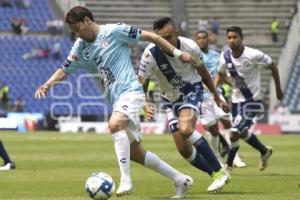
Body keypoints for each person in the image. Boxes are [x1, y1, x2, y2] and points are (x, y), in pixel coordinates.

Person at [35, 6, 194, 198]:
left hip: (132, 91)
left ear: (87, 20)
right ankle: (180, 180)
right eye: (74, 31)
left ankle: (125, 180)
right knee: (136, 153)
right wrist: (47, 84)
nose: (77, 33)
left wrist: (177, 53)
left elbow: (153, 37)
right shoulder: (80, 46)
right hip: (117, 99)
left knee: (114, 124)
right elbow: (64, 69)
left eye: (78, 28)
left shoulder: (115, 31)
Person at [138, 17, 230, 193]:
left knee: (186, 129)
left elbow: (203, 72)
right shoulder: (150, 54)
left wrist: (216, 96)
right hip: (169, 98)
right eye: (161, 38)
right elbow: (141, 83)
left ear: (177, 34)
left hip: (191, 91)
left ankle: (220, 170)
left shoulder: (191, 47)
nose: (165, 41)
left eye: (169, 36)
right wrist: (145, 102)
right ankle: (215, 175)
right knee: (183, 149)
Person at [215, 26, 284, 173]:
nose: (232, 40)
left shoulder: (254, 55)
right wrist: (215, 93)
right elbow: (221, 75)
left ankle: (228, 167)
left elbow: (273, 66)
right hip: (235, 101)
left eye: (235, 37)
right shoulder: (224, 57)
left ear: (242, 38)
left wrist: (278, 90)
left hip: (252, 101)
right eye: (229, 38)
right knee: (242, 132)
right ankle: (264, 151)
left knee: (234, 133)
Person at [195, 30, 246, 168]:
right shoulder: (193, 57)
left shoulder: (216, 56)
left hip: (217, 94)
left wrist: (237, 85)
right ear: (196, 40)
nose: (201, 40)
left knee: (227, 122)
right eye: (198, 38)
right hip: (202, 96)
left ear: (208, 39)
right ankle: (217, 158)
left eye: (204, 38)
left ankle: (235, 157)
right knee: (212, 129)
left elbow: (222, 75)